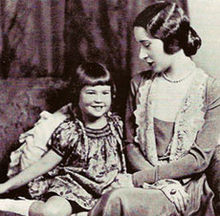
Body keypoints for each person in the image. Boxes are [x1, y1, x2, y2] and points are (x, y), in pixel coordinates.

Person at [88, 2, 220, 216]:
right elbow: (130, 144)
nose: (141, 55)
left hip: (186, 191)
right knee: (115, 197)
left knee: (117, 198)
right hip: (148, 184)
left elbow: (199, 160)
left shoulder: (211, 89)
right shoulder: (138, 84)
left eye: (147, 45)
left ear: (172, 41)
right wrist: (159, 181)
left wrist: (139, 179)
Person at [0, 62, 133, 216]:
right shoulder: (70, 131)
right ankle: (10, 204)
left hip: (109, 187)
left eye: (105, 93)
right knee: (51, 212)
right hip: (73, 188)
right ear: (77, 95)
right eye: (91, 93)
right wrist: (7, 186)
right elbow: (44, 164)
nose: (99, 99)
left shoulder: (117, 124)